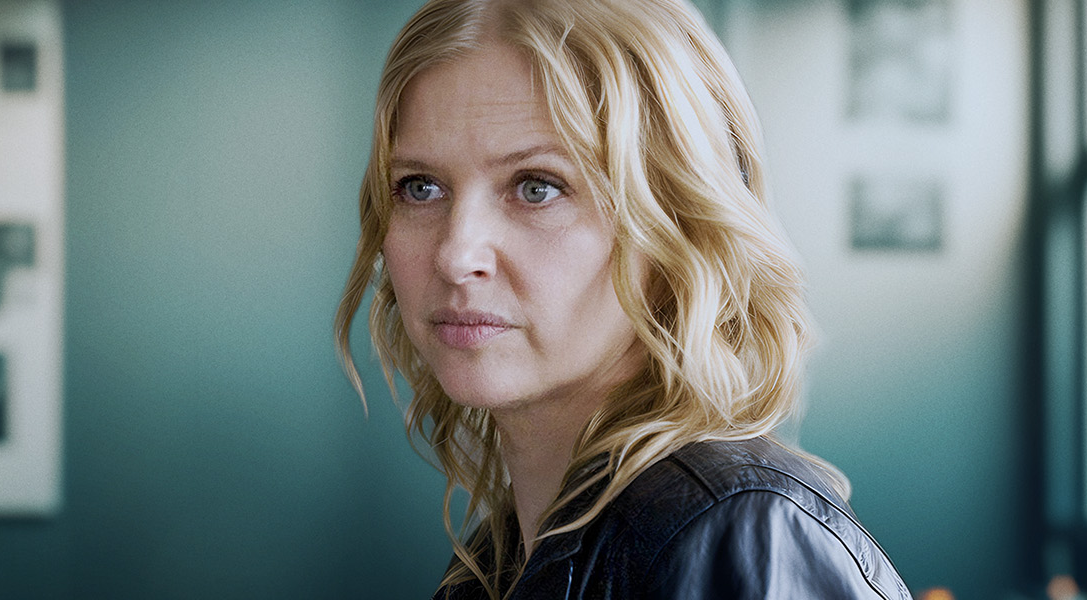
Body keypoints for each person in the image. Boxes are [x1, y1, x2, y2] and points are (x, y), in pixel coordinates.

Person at [332, 0, 913, 598]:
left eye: (537, 188)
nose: (456, 255)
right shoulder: (498, 560)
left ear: (678, 223)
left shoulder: (735, 533)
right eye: (420, 187)